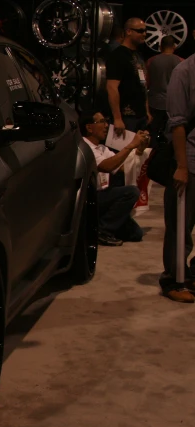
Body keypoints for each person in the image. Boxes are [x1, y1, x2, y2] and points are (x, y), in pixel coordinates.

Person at [158, 48, 195, 303]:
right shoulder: (184, 72)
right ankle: (174, 278)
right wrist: (181, 165)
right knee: (180, 224)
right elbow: (177, 123)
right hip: (190, 160)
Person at [80, 110, 148, 246]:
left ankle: (96, 226)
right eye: (101, 122)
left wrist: (139, 150)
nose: (106, 125)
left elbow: (123, 166)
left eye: (106, 121)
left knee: (136, 234)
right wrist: (130, 146)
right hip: (89, 199)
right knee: (131, 192)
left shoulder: (102, 148)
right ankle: (102, 230)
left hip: (103, 197)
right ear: (89, 127)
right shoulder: (85, 147)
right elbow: (107, 166)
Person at [106, 18, 153, 138]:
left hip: (140, 115)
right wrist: (117, 118)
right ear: (128, 31)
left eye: (145, 31)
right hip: (126, 117)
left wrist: (146, 110)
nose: (144, 34)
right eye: (140, 31)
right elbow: (112, 87)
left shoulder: (138, 55)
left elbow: (142, 85)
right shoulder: (118, 55)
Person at [146, 35, 184, 141]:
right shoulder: (182, 62)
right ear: (174, 46)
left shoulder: (151, 61)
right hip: (174, 105)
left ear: (160, 46)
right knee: (173, 135)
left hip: (155, 103)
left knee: (152, 135)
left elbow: (146, 83)